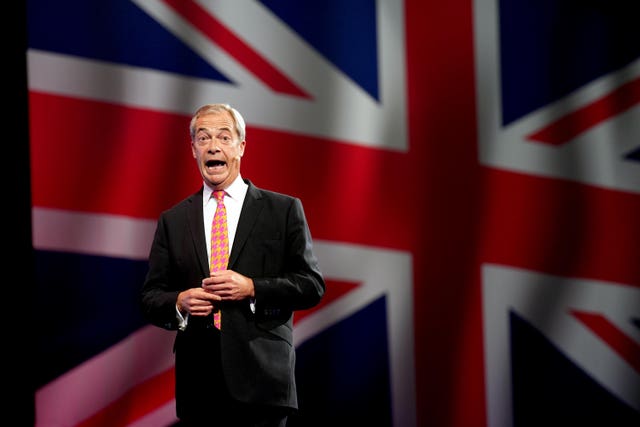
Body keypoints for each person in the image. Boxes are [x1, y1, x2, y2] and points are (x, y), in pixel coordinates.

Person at [140, 103, 326, 427]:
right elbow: (151, 296)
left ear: (241, 146)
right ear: (193, 149)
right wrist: (179, 302)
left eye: (224, 137)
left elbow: (311, 285)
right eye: (204, 138)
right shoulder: (173, 220)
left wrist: (253, 288)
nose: (213, 146)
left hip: (263, 385)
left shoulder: (282, 210)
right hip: (199, 389)